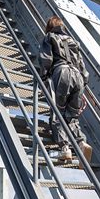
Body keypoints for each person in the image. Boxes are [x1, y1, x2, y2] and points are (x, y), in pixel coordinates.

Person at [39, 16, 93, 162]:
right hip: (78, 76)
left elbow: (46, 59)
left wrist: (43, 76)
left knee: (58, 112)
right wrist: (83, 83)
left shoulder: (49, 37)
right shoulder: (73, 41)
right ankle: (81, 142)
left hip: (61, 72)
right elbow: (82, 65)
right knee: (72, 115)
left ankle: (65, 148)